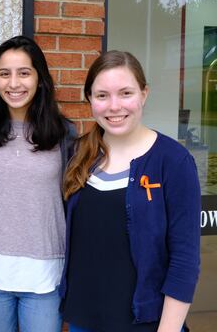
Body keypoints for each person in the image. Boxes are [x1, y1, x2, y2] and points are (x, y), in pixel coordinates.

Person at [60, 51, 201, 332]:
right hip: (83, 320)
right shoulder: (77, 154)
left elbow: (185, 259)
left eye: (125, 93)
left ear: (144, 94)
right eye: (102, 95)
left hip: (144, 323)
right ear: (89, 99)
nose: (114, 106)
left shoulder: (172, 161)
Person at [0, 35, 76, 332]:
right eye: (5, 74)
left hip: (45, 274)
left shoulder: (63, 134)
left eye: (24, 73)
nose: (14, 83)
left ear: (40, 79)